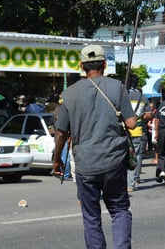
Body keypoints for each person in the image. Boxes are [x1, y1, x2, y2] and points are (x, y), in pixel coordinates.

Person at [53, 44, 137, 249]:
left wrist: (57, 160)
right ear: (105, 64)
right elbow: (131, 124)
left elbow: (61, 133)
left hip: (85, 165)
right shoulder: (117, 87)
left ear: (81, 66)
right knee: (119, 210)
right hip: (114, 162)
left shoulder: (69, 94)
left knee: (91, 217)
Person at [126, 74, 152, 192]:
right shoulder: (143, 97)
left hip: (122, 130)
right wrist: (140, 115)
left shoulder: (123, 94)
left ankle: (120, 184)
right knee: (134, 157)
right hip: (136, 130)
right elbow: (148, 115)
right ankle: (130, 184)